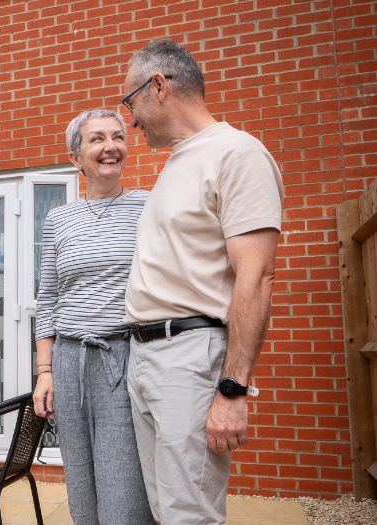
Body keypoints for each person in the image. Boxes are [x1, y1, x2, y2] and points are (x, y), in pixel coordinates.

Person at [121, 38, 283, 525]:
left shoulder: (236, 154)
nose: (130, 121)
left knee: (187, 514)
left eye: (130, 103)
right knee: (164, 509)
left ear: (159, 86)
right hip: (145, 357)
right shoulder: (177, 161)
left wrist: (233, 390)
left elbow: (256, 276)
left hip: (188, 356)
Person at [32, 109, 155, 525]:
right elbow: (47, 296)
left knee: (123, 485)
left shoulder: (148, 206)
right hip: (68, 360)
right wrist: (44, 371)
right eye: (97, 139)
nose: (110, 147)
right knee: (81, 485)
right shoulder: (58, 220)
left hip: (122, 356)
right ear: (75, 158)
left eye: (118, 137)